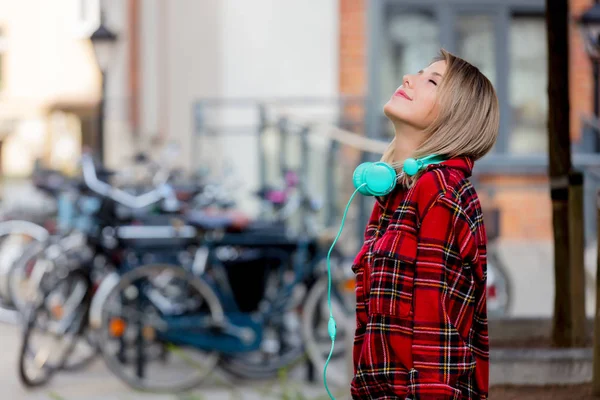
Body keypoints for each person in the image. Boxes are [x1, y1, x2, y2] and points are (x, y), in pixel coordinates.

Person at [350, 49, 499, 399]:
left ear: (456, 116)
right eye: (418, 72)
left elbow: (435, 331)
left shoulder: (440, 190)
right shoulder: (394, 191)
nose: (408, 79)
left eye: (431, 80)